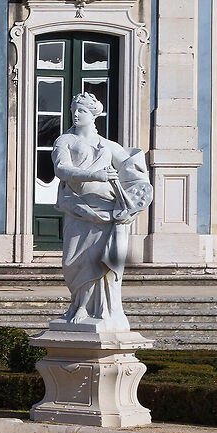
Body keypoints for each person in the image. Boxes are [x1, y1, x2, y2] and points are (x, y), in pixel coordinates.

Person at [51, 92, 152, 328]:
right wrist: (95, 174)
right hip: (78, 208)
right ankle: (77, 302)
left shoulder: (108, 146)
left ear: (93, 114)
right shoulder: (65, 141)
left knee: (99, 261)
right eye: (74, 109)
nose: (76, 114)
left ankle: (88, 308)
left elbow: (134, 172)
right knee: (73, 261)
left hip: (107, 212)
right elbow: (62, 170)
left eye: (82, 111)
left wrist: (138, 194)